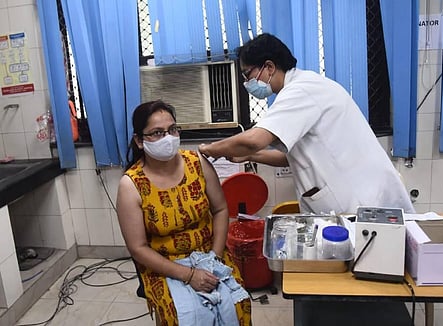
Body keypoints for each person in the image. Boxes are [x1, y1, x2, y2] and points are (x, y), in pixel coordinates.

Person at [199, 33, 414, 215]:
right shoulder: (301, 88)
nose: (247, 83)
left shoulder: (301, 91)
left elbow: (255, 140)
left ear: (269, 66)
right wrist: (252, 156)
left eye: (248, 74)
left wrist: (209, 150)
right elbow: (292, 157)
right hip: (355, 199)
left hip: (362, 202)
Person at [116, 100, 251, 326]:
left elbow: (220, 209)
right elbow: (137, 248)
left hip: (210, 253)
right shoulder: (131, 185)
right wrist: (188, 275)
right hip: (164, 264)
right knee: (180, 316)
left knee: (237, 304)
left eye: (172, 130)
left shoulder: (197, 163)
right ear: (139, 141)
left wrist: (214, 257)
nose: (167, 138)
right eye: (157, 133)